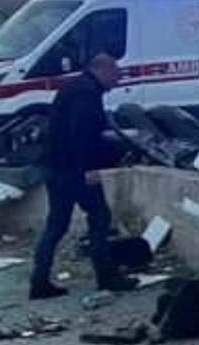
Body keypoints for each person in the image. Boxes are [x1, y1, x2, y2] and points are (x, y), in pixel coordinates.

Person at [30, 53, 137, 299]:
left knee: (56, 225)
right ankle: (106, 276)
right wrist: (89, 168)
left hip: (54, 165)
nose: (118, 80)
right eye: (116, 74)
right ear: (103, 70)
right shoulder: (87, 93)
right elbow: (82, 134)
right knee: (100, 217)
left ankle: (39, 281)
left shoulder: (76, 87)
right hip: (73, 168)